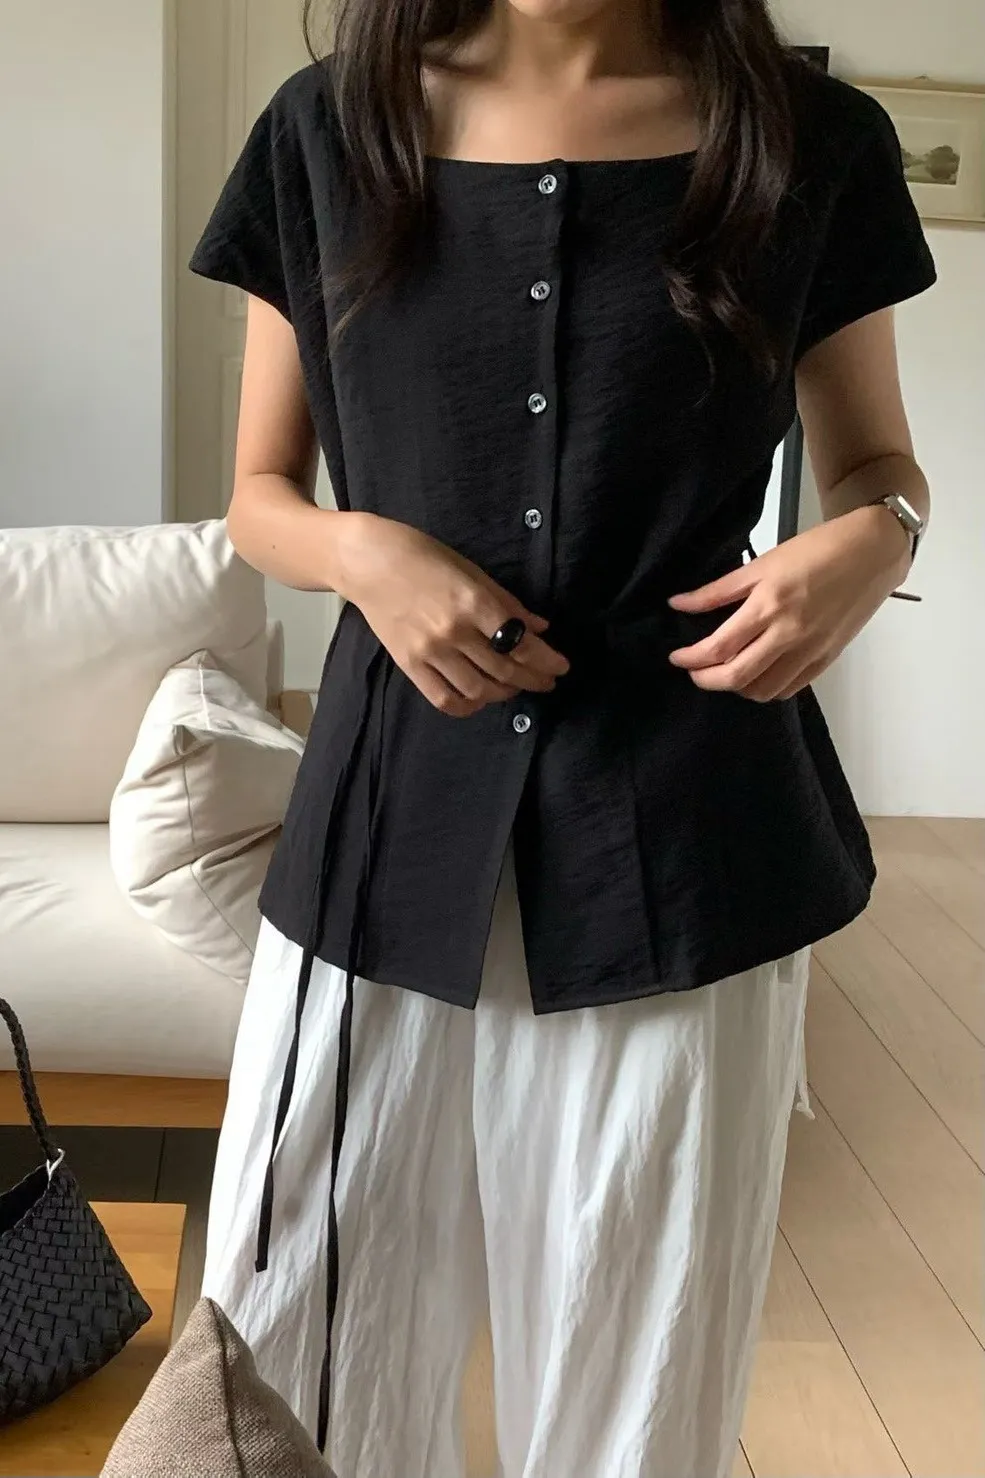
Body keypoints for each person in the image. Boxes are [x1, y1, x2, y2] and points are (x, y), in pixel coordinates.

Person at [190, 0, 935, 1473]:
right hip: (387, 819)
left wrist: (877, 538)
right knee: (288, 1350)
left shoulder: (810, 142)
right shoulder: (326, 128)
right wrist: (364, 554)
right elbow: (259, 495)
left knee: (637, 1370)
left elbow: (876, 462)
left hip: (690, 819)